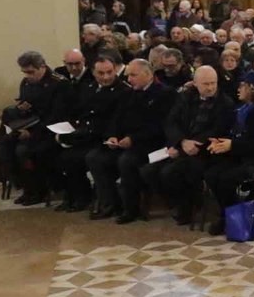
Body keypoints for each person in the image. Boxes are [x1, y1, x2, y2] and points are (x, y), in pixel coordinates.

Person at [85, 59, 175, 223]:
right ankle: (110, 203)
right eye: (128, 75)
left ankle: (131, 209)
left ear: (148, 74)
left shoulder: (164, 94)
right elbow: (117, 119)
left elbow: (160, 126)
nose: (129, 79)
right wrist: (112, 136)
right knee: (95, 157)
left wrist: (133, 139)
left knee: (127, 161)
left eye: (133, 75)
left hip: (152, 145)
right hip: (126, 142)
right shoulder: (128, 93)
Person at [203, 72, 254, 236]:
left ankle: (233, 217)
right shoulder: (241, 109)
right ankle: (230, 213)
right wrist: (220, 142)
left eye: (242, 85)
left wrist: (232, 145)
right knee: (212, 174)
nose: (238, 89)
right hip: (243, 155)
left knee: (227, 179)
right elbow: (235, 134)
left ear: (252, 88)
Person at [157, 66, 234, 225]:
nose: (211, 87)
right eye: (206, 84)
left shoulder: (225, 103)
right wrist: (181, 143)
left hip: (207, 150)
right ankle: (181, 203)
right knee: (150, 168)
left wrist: (190, 146)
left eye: (213, 83)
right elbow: (171, 122)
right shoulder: (185, 97)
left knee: (175, 171)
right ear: (195, 84)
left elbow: (218, 130)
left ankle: (189, 206)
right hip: (182, 145)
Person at [52, 55, 127, 216]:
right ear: (93, 72)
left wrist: (74, 137)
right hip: (88, 135)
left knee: (92, 158)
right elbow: (81, 113)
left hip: (106, 139)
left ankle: (107, 204)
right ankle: (79, 196)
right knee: (64, 156)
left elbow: (110, 123)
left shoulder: (123, 91)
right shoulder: (89, 88)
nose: (106, 77)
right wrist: (70, 130)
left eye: (109, 72)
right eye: (101, 73)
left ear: (115, 70)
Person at [0, 51, 66, 206]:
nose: (28, 76)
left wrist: (32, 132)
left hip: (49, 131)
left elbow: (56, 116)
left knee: (24, 150)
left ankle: (38, 190)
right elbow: (27, 107)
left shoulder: (58, 83)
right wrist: (21, 109)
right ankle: (24, 186)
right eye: (25, 72)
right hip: (29, 125)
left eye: (31, 72)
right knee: (4, 146)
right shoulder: (26, 83)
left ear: (42, 67)